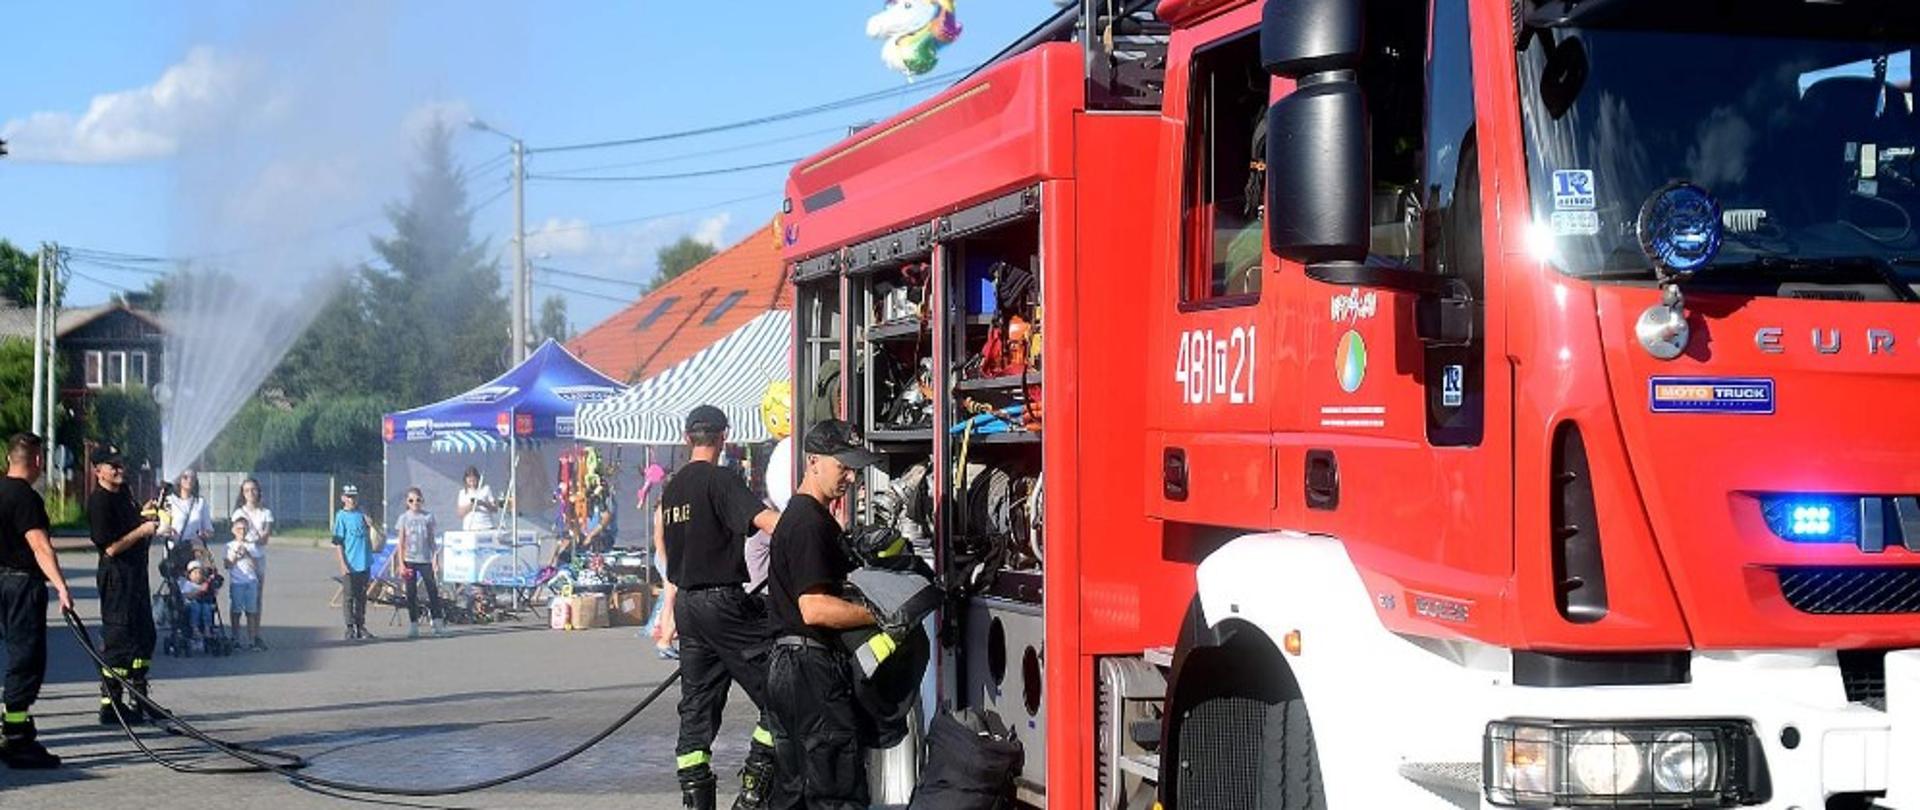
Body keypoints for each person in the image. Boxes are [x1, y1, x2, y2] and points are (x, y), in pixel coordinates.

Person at [660, 405, 782, 810]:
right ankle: (753, 792)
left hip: (688, 608)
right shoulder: (720, 480)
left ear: (686, 438)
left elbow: (669, 557)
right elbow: (765, 521)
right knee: (784, 689)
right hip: (722, 604)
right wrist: (811, 528)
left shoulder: (672, 489)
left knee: (696, 713)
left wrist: (668, 617)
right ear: (724, 438)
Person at [765, 420, 884, 809]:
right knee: (835, 790)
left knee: (797, 792)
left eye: (854, 469)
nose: (850, 478)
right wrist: (880, 614)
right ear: (813, 461)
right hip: (810, 669)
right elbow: (814, 608)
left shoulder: (805, 518)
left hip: (791, 667)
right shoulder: (808, 522)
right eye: (843, 467)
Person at [0, 433, 74, 769]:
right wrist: (61, 587)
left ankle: (13, 731)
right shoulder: (26, 498)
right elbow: (40, 547)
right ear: (39, 461)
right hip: (20, 585)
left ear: (9, 459)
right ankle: (16, 738)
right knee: (25, 658)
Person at [88, 453, 160, 725]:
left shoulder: (124, 494)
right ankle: (111, 704)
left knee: (144, 635)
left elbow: (130, 525)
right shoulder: (99, 502)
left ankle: (140, 698)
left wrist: (144, 514)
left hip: (136, 575)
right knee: (119, 639)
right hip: (117, 578)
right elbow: (110, 548)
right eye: (113, 466)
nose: (120, 470)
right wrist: (142, 531)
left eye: (121, 465)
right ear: (98, 471)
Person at [331, 485, 380, 641]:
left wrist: (368, 519)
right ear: (343, 498)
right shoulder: (341, 516)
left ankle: (361, 625)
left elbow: (374, 530)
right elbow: (338, 542)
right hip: (350, 562)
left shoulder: (361, 514)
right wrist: (342, 563)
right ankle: (350, 627)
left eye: (354, 497)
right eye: (349, 497)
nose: (352, 500)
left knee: (361, 596)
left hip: (364, 561)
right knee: (349, 596)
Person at [395, 487, 444, 638]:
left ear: (422, 501)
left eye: (418, 500)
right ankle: (413, 624)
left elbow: (431, 540)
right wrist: (401, 563)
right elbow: (401, 542)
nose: (415, 503)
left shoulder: (427, 517)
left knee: (432, 590)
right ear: (407, 502)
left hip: (425, 559)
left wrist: (435, 558)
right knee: (411, 593)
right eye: (411, 500)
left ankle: (437, 622)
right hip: (409, 559)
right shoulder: (404, 518)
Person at [231, 477, 273, 642]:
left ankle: (255, 634)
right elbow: (237, 534)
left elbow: (265, 538)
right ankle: (235, 635)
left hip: (258, 558)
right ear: (242, 493)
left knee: (256, 598)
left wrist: (253, 539)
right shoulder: (238, 513)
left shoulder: (265, 513)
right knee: (237, 598)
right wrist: (253, 539)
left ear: (258, 491)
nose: (250, 493)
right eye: (247, 490)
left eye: (253, 489)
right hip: (241, 560)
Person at [224, 516, 264, 650]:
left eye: (244, 529)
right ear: (233, 530)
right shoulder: (229, 546)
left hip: (251, 582)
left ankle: (251, 640)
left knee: (251, 612)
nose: (242, 532)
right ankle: (235, 638)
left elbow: (256, 566)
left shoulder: (252, 546)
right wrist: (236, 555)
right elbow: (227, 565)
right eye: (239, 529)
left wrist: (247, 554)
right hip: (237, 583)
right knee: (236, 611)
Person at [164, 470, 214, 563]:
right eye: (185, 477)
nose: (189, 480)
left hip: (194, 550)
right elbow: (163, 527)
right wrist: (169, 531)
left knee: (195, 571)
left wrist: (203, 534)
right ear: (179, 480)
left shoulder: (200, 502)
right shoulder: (169, 501)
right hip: (175, 549)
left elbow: (209, 530)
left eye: (192, 478)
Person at [177, 561, 217, 648]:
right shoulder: (188, 584)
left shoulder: (204, 584)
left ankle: (207, 628)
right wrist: (198, 592)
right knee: (196, 606)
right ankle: (195, 628)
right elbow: (186, 595)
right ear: (189, 575)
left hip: (203, 603)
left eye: (200, 573)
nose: (197, 575)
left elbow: (212, 594)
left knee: (207, 607)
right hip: (191, 604)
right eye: (195, 573)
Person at [457, 467, 499, 533]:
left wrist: (483, 503)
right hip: (470, 528)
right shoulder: (462, 493)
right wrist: (471, 506)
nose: (472, 482)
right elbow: (460, 514)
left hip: (486, 526)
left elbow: (495, 509)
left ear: (477, 478)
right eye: (469, 480)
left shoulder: (486, 489)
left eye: (473, 479)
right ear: (466, 480)